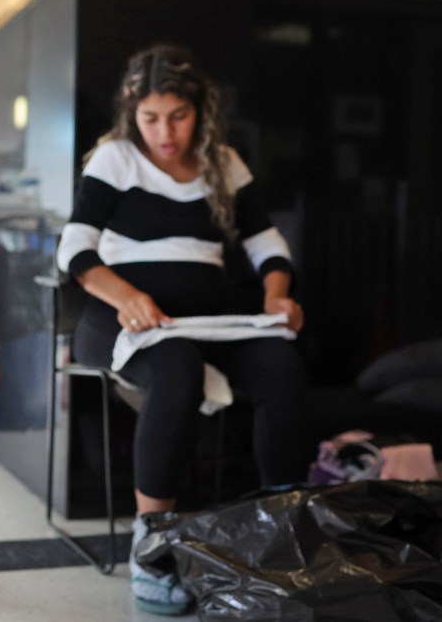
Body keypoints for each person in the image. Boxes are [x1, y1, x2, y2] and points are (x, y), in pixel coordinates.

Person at [56, 44, 311, 616]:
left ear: (200, 111)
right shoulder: (116, 159)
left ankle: (280, 529)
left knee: (281, 365)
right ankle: (152, 546)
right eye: (151, 118)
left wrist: (277, 294)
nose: (164, 133)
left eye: (178, 116)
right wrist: (126, 295)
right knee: (176, 368)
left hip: (207, 320)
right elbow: (74, 246)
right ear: (132, 114)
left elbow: (266, 241)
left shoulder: (222, 162)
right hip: (122, 319)